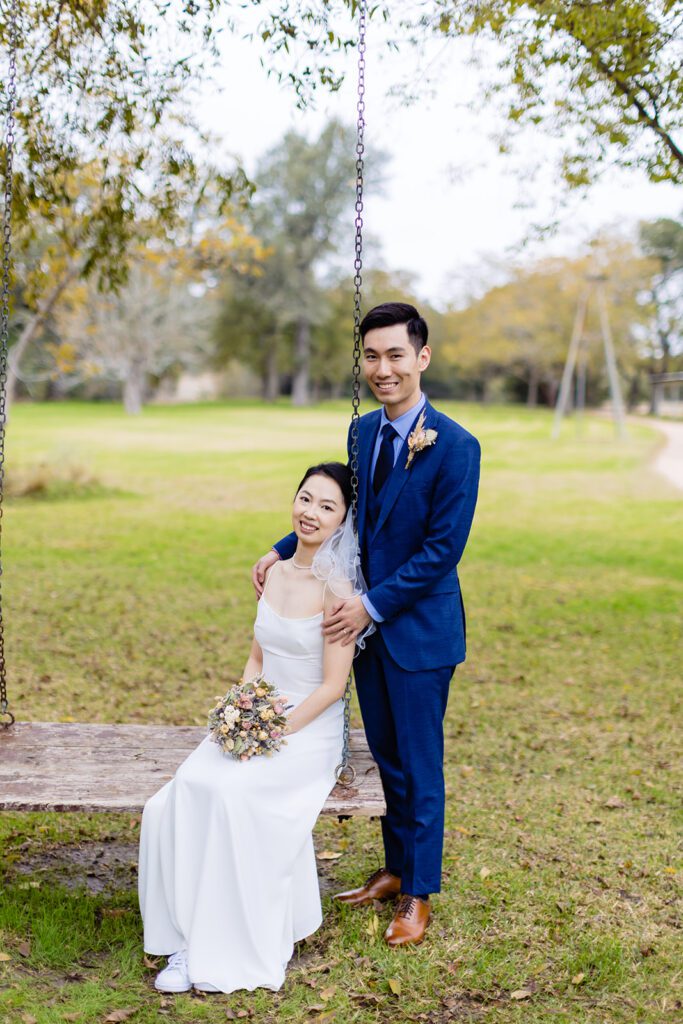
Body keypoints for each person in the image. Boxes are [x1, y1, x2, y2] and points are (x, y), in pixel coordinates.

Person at [253, 302, 481, 948]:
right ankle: (392, 869)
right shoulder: (360, 434)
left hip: (415, 633)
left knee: (419, 762)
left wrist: (371, 605)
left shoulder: (457, 446)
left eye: (395, 355)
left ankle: (418, 893)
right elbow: (342, 510)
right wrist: (278, 546)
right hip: (363, 634)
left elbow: (441, 551)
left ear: (421, 358)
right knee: (386, 758)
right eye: (372, 356)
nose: (383, 369)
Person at [138, 462, 366, 994]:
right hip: (258, 713)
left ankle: (221, 944)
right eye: (305, 499)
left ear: (343, 522)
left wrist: (274, 731)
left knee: (232, 795)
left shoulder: (339, 591)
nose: (310, 513)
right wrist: (240, 709)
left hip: (307, 726)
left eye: (327, 506)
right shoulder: (275, 573)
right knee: (177, 795)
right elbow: (256, 658)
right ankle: (181, 937)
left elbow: (333, 686)